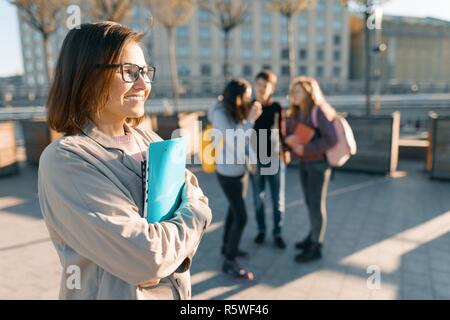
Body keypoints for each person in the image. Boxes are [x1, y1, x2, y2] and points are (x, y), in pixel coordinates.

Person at [38, 22, 212, 300]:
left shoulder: (150, 140)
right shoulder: (65, 159)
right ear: (86, 75)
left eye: (145, 72)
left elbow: (195, 192)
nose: (144, 85)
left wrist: (177, 232)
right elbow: (148, 258)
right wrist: (197, 216)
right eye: (129, 72)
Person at [207, 79, 262, 280]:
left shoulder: (234, 110)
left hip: (240, 170)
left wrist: (253, 160)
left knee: (233, 210)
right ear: (236, 96)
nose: (249, 100)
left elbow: (244, 140)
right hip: (228, 173)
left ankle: (227, 247)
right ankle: (229, 261)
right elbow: (235, 140)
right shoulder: (221, 113)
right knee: (242, 216)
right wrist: (252, 119)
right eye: (246, 96)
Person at [284, 76, 337, 263]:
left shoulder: (318, 111)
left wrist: (305, 149)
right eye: (292, 91)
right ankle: (312, 236)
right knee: (309, 202)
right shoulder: (299, 112)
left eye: (297, 91)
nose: (293, 95)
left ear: (309, 92)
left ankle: (316, 246)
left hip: (318, 165)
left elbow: (332, 139)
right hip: (306, 163)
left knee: (316, 204)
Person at [250, 70, 289, 249]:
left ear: (271, 88)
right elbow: (243, 135)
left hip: (274, 158)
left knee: (277, 199)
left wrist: (285, 150)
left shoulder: (276, 107)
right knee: (258, 198)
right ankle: (261, 230)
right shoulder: (248, 106)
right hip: (255, 159)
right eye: (259, 84)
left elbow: (281, 131)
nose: (261, 88)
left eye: (265, 86)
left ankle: (278, 232)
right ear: (254, 86)